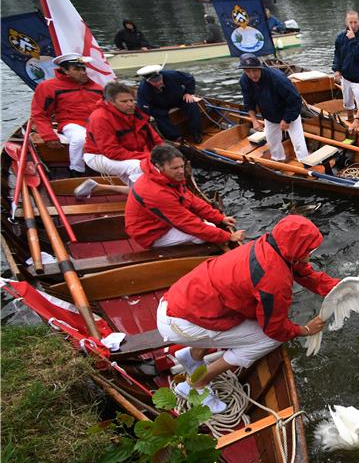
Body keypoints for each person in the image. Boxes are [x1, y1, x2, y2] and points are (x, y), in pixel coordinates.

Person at [157, 215, 340, 413]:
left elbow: (303, 272)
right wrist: (304, 330)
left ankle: (192, 355)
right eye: (309, 250)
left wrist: (340, 288)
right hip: (181, 322)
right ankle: (197, 383)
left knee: (245, 315)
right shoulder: (274, 280)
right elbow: (275, 329)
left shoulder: (269, 246)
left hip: (178, 302)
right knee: (269, 339)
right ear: (296, 249)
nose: (311, 254)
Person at [125, 144, 245, 249]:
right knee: (201, 237)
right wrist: (229, 236)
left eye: (182, 166)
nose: (181, 171)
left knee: (209, 226)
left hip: (162, 223)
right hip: (151, 234)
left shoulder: (167, 178)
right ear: (159, 167)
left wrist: (219, 218)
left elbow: (191, 199)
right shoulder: (156, 192)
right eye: (175, 168)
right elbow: (187, 223)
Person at [29, 53, 103, 177]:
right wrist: (49, 136)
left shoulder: (97, 87)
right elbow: (39, 114)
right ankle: (76, 170)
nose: (83, 72)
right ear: (64, 70)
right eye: (77, 69)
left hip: (98, 124)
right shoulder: (48, 87)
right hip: (71, 123)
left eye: (83, 68)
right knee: (80, 139)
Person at [81, 82, 163, 190]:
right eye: (124, 101)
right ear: (110, 102)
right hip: (98, 156)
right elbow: (111, 151)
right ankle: (140, 200)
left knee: (158, 166)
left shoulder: (136, 113)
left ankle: (97, 187)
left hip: (125, 153)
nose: (130, 104)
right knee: (139, 167)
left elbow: (153, 138)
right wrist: (147, 156)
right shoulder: (100, 118)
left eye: (132, 100)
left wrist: (164, 153)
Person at [238, 53, 308, 162]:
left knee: (298, 142)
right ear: (244, 71)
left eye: (255, 70)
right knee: (272, 141)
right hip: (269, 115)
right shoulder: (244, 81)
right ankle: (278, 160)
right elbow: (248, 102)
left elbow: (295, 100)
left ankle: (305, 164)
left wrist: (286, 119)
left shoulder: (277, 78)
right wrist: (254, 120)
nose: (252, 75)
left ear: (260, 68)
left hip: (289, 112)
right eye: (248, 71)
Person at [136, 65, 203, 143]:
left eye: (159, 79)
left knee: (191, 104)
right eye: (154, 82)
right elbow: (143, 106)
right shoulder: (143, 88)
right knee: (159, 117)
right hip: (160, 106)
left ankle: (196, 133)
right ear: (148, 81)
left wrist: (189, 92)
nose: (158, 83)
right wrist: (157, 112)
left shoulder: (172, 74)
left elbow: (189, 78)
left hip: (179, 98)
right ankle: (177, 138)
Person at [332, 10, 359, 130]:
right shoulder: (340, 37)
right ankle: (349, 121)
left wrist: (353, 40)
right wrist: (337, 70)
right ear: (346, 22)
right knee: (348, 102)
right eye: (351, 22)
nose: (353, 25)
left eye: (355, 22)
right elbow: (337, 55)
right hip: (346, 77)